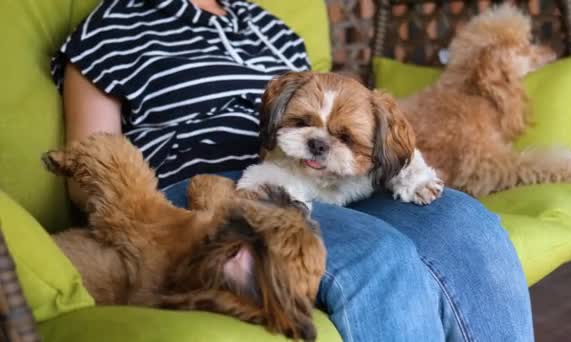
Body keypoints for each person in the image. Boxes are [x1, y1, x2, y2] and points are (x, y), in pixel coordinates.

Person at [52, 0, 534, 341]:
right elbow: (86, 165)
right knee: (377, 256)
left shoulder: (271, 27)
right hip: (210, 189)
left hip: (327, 180)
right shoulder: (115, 22)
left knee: (467, 225)